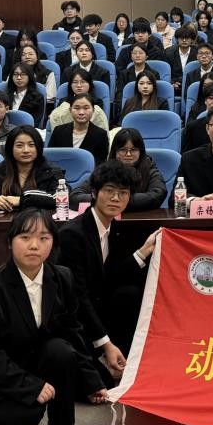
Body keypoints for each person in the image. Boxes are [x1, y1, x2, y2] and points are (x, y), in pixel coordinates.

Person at [0, 208, 107, 425]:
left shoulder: (62, 277)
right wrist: (30, 386)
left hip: (35, 355)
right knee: (23, 417)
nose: (34, 245)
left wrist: (91, 380)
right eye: (25, 237)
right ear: (10, 241)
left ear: (53, 243)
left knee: (61, 350)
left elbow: (72, 331)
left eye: (44, 238)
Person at [57, 160, 147, 380]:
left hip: (98, 306)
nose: (116, 198)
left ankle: (123, 359)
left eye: (123, 193)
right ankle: (106, 358)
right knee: (97, 382)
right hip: (72, 317)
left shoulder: (114, 228)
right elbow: (77, 296)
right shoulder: (73, 234)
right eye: (109, 191)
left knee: (130, 292)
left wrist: (143, 252)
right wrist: (105, 343)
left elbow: (111, 277)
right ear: (94, 193)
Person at [0, 125, 65, 213]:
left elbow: (63, 197)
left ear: (38, 148)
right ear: (10, 148)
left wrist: (21, 200)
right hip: (3, 222)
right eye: (19, 145)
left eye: (31, 145)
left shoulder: (51, 171)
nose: (26, 150)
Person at [70, 128, 167, 212]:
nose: (128, 154)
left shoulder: (149, 168)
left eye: (133, 150)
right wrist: (103, 198)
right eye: (123, 150)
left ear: (140, 152)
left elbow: (158, 195)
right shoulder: (105, 170)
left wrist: (117, 200)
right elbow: (74, 196)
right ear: (115, 152)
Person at [49, 94, 109, 165]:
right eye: (77, 108)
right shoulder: (58, 131)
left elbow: (101, 164)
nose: (81, 112)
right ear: (70, 110)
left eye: (86, 108)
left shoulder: (101, 135)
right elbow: (51, 157)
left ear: (93, 110)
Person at [5, 62, 46, 127]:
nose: (19, 78)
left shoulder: (37, 98)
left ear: (29, 76)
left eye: (23, 74)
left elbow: (35, 122)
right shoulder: (5, 96)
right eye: (16, 74)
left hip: (26, 131)